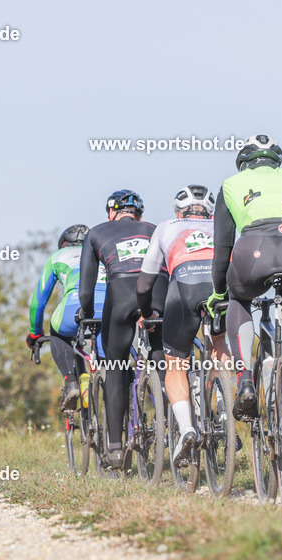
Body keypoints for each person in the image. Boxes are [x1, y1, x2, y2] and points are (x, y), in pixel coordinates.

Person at [206, 134, 282, 487]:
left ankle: (245, 379)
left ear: (244, 163)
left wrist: (219, 293)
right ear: (276, 161)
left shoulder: (231, 184)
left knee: (239, 299)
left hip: (255, 247)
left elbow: (222, 249)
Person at [137, 184, 230, 469]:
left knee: (175, 364)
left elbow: (145, 282)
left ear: (179, 211)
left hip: (183, 290)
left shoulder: (165, 227)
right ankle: (224, 407)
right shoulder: (222, 225)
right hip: (220, 289)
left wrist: (146, 312)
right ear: (210, 211)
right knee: (219, 343)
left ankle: (187, 429)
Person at [78, 190, 166, 469]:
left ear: (111, 213)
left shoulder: (96, 233)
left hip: (120, 296)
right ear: (139, 215)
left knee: (115, 365)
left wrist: (86, 313)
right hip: (157, 293)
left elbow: (86, 290)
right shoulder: (155, 229)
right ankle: (173, 426)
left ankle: (115, 449)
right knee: (161, 355)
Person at [26, 224, 105, 410]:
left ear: (63, 244)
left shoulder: (57, 257)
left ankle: (70, 382)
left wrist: (35, 333)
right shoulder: (103, 252)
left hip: (75, 308)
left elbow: (38, 303)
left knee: (58, 333)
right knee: (111, 361)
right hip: (110, 307)